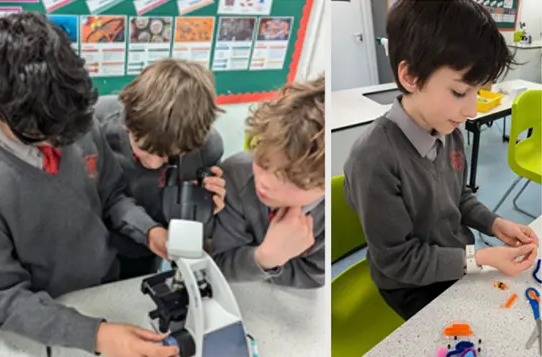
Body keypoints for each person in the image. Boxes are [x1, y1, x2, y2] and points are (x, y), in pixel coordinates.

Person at [0, 12, 177, 357]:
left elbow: (112, 195)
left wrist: (149, 232)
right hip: (47, 318)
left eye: (69, 134)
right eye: (44, 139)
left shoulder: (71, 119)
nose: (61, 145)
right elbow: (6, 298)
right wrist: (96, 335)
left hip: (106, 287)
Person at [344, 0, 537, 320]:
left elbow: (457, 197)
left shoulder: (448, 131)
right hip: (410, 284)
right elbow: (398, 261)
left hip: (458, 258)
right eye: (460, 92)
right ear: (410, 77)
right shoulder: (374, 160)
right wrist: (482, 258)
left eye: (478, 92)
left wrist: (494, 223)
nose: (472, 111)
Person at [95, 58, 226, 279]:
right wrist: (149, 231)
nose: (155, 163)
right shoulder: (97, 124)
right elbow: (106, 197)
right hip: (97, 243)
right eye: (145, 149)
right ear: (128, 121)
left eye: (169, 156)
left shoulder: (205, 146)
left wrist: (207, 205)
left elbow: (202, 226)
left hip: (149, 251)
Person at [211, 76, 326, 288]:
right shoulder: (236, 175)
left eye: (291, 178)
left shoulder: (331, 211)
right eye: (263, 162)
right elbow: (218, 264)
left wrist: (257, 263)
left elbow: (315, 275)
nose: (264, 182)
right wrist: (265, 258)